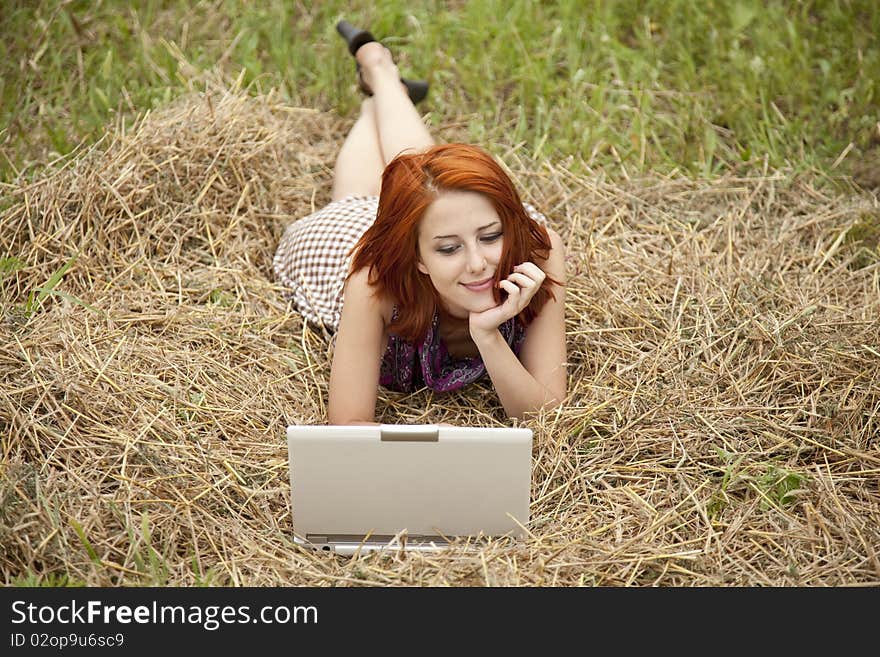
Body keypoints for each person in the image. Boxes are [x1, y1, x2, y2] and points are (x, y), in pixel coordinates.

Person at [273, 25, 567, 425]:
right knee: (356, 199)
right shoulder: (373, 283)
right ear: (420, 258)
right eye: (449, 249)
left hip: (441, 214)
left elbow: (546, 416)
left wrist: (487, 335)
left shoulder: (537, 252)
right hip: (349, 239)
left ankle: (378, 75)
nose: (479, 263)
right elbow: (348, 424)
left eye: (491, 236)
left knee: (430, 182)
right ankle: (377, 84)